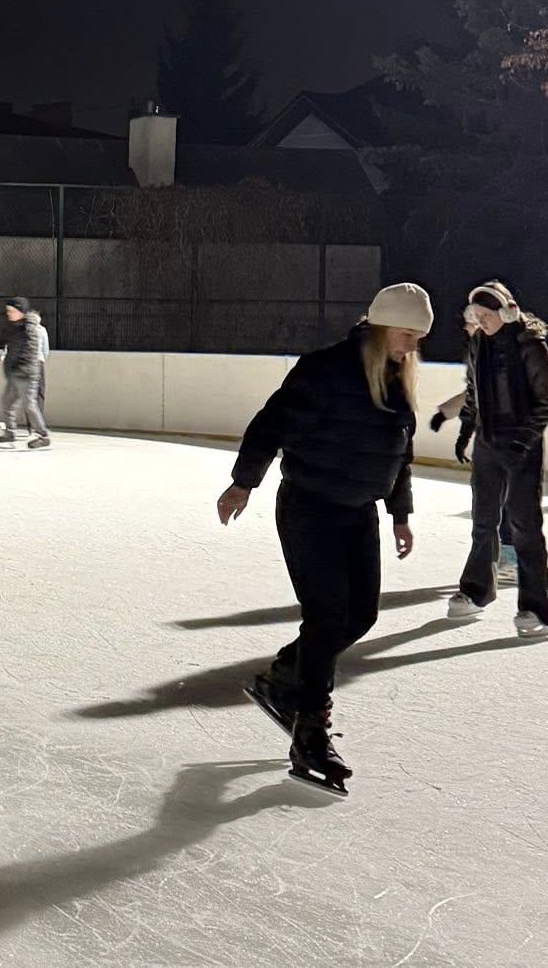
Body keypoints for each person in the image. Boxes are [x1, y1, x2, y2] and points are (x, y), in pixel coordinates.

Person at [216, 283, 431, 796]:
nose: (411, 346)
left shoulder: (396, 380)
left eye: (418, 338)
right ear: (380, 326)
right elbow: (270, 424)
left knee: (362, 616)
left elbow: (400, 454)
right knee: (328, 616)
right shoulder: (325, 369)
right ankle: (309, 733)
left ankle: (284, 677)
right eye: (405, 334)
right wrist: (244, 482)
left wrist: (400, 514)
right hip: (309, 507)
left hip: (359, 512)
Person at [446, 281, 548, 636]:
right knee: (483, 521)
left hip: (521, 446)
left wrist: (524, 441)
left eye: (486, 315)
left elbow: (544, 401)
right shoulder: (479, 343)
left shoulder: (530, 345)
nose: (481, 322)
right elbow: (473, 391)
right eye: (476, 316)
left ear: (507, 312)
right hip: (487, 442)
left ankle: (537, 609)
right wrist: (467, 430)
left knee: (525, 527)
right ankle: (477, 591)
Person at [428, 305, 513, 585]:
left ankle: (507, 561)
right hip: (493, 436)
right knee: (492, 501)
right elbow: (474, 396)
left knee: (506, 499)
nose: (466, 329)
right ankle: (499, 561)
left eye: (471, 323)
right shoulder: (480, 350)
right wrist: (461, 429)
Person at [0, 297, 50, 449]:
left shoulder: (31, 328)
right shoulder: (13, 327)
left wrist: (21, 368)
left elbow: (31, 351)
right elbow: (8, 345)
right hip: (14, 374)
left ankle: (42, 435)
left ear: (21, 312)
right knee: (7, 402)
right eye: (8, 311)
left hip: (26, 374)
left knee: (30, 405)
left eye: (12, 311)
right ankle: (10, 433)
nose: (9, 314)